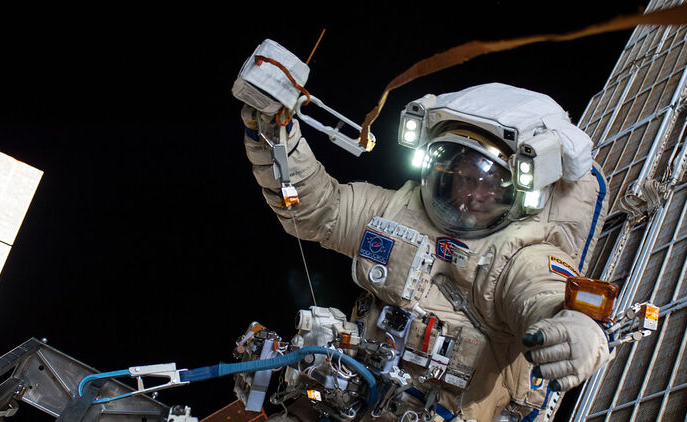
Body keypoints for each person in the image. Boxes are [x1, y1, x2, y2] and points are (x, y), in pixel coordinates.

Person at [240, 83, 612, 421]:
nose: (471, 196)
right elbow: (319, 209)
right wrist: (272, 130)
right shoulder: (395, 213)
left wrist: (577, 327)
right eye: (463, 177)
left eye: (491, 184)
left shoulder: (521, 255)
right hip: (346, 394)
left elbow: (545, 296)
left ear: (524, 194)